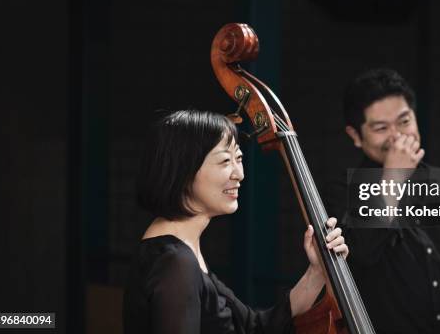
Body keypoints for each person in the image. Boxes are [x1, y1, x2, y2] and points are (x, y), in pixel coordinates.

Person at [123, 109, 348, 334]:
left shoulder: (184, 250)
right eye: (224, 161)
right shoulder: (174, 262)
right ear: (183, 170)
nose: (238, 173)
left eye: (238, 158)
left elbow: (254, 327)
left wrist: (317, 270)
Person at [323, 68, 440, 334]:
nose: (397, 136)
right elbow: (359, 254)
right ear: (355, 135)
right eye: (380, 128)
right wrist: (393, 178)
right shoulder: (342, 191)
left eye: (404, 121)